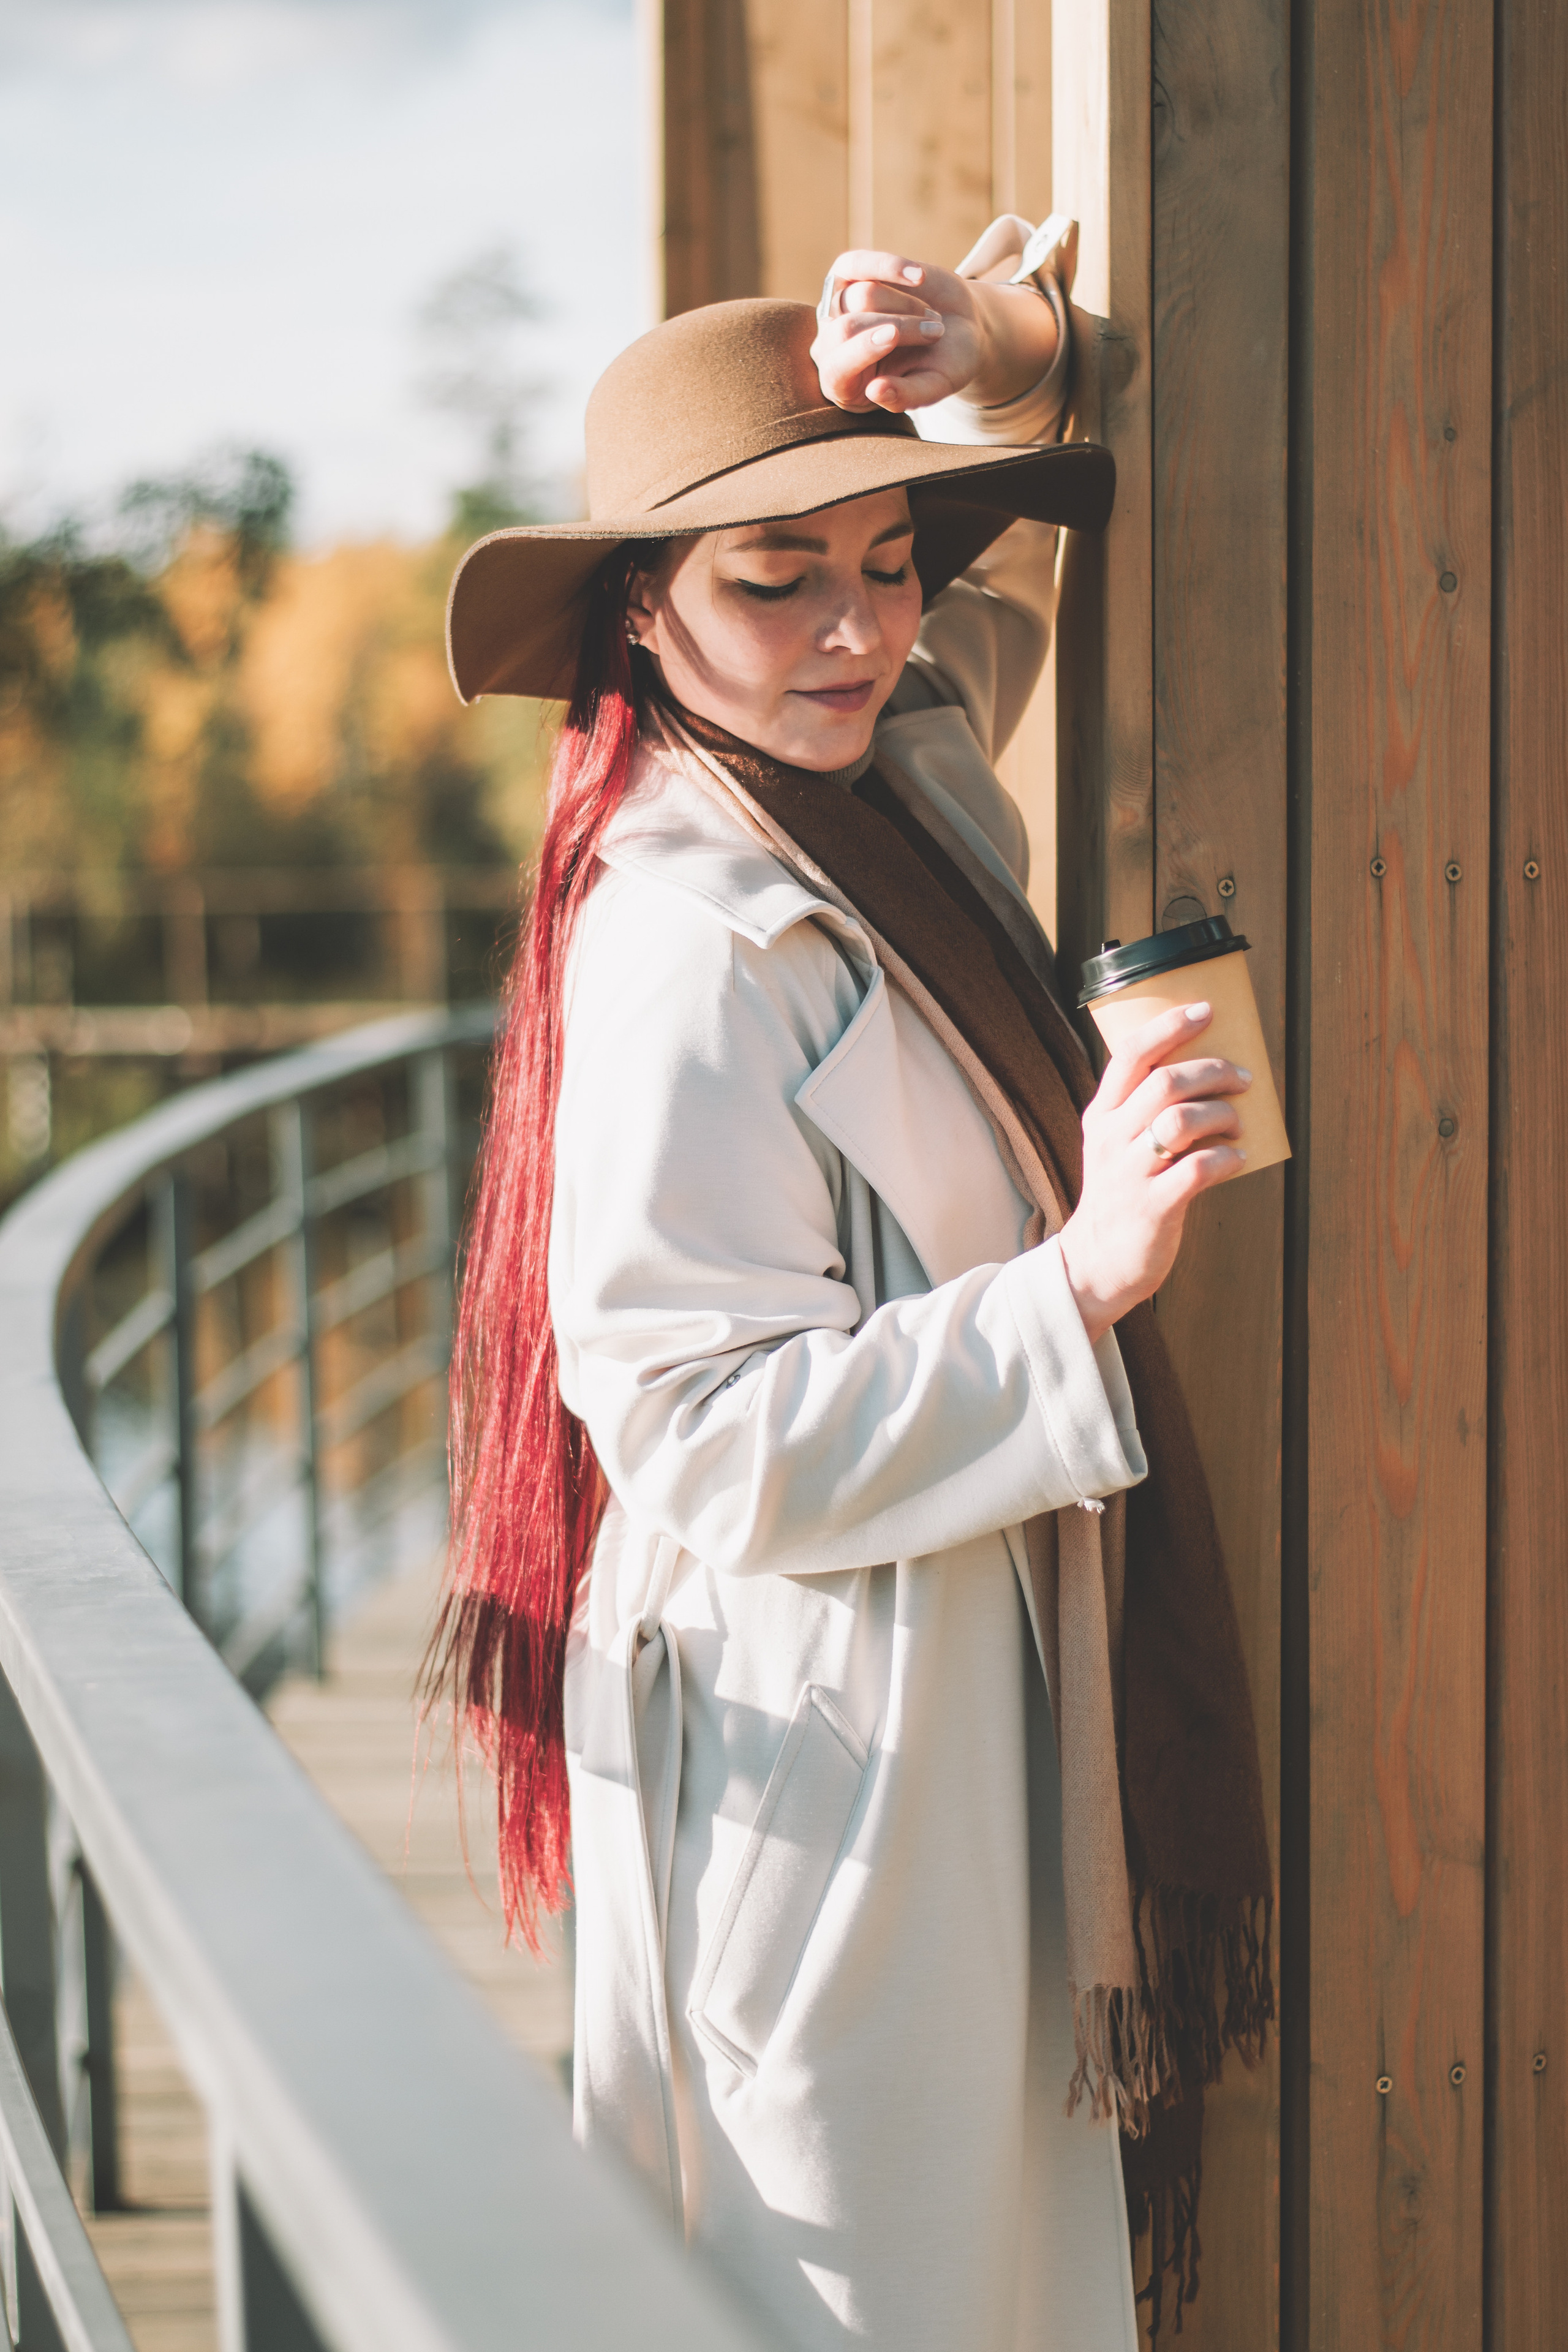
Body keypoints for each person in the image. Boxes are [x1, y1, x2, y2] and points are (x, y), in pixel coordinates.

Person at [434, 214, 1272, 2352]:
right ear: (644, 605)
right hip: (824, 1748)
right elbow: (699, 1435)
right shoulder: (689, 935)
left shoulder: (869, 774)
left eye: (889, 563)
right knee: (860, 2297)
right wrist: (1078, 1279)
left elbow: (1017, 574)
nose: (859, 627)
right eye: (774, 578)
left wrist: (993, 342)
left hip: (935, 1708)